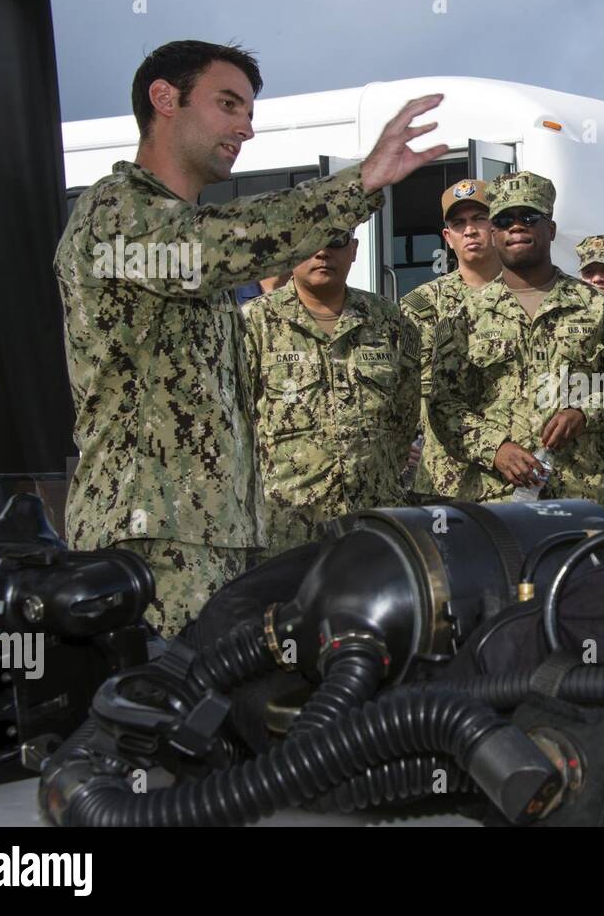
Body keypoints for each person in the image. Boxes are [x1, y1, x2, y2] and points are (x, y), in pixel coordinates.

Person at [54, 38, 445, 636]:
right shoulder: (118, 214)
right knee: (154, 716)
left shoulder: (172, 231)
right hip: (149, 542)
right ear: (165, 99)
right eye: (229, 105)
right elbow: (224, 243)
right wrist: (360, 182)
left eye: (250, 114)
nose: (246, 130)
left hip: (213, 536)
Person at [429, 171, 604, 511]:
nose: (517, 227)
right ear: (495, 233)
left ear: (551, 229)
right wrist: (496, 449)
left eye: (529, 217)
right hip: (496, 499)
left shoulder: (603, 308)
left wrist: (585, 412)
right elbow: (445, 407)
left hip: (584, 496)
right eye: (504, 220)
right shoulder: (463, 317)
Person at [242, 230, 419, 555]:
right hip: (286, 529)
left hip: (374, 524)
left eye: (335, 239)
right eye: (312, 239)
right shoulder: (255, 323)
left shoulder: (389, 321)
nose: (322, 251)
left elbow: (404, 417)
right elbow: (238, 426)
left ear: (353, 250)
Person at [399, 179, 500, 499]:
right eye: (459, 223)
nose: (469, 230)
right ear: (448, 237)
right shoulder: (423, 304)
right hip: (447, 477)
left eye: (479, 219)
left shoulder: (526, 294)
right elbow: (411, 389)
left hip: (515, 478)